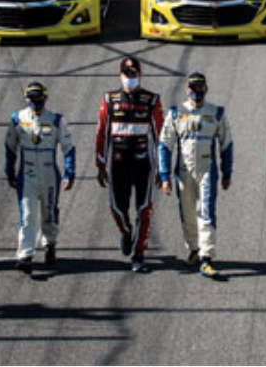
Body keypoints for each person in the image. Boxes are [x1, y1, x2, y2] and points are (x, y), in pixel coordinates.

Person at [159, 72, 234, 279]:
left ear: (206, 89)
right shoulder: (176, 113)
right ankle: (194, 249)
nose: (196, 91)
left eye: (200, 87)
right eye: (193, 87)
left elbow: (226, 143)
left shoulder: (217, 113)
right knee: (187, 213)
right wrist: (164, 176)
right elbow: (164, 145)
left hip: (207, 170)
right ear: (186, 89)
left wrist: (227, 171)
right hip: (183, 172)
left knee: (206, 213)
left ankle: (207, 257)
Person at [96, 56, 164, 273]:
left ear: (140, 75)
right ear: (120, 75)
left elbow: (160, 135)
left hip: (143, 164)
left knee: (144, 209)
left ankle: (139, 254)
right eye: (126, 75)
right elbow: (101, 133)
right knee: (117, 208)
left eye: (133, 74)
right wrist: (100, 163)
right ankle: (126, 232)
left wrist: (162, 169)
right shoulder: (110, 99)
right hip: (118, 165)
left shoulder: (151, 100)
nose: (130, 78)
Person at [4, 81, 75, 275]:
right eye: (32, 98)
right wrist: (9, 171)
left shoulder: (56, 119)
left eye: (39, 97)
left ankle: (50, 244)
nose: (36, 102)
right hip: (26, 175)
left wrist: (70, 173)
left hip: (49, 174)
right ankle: (25, 256)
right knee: (27, 215)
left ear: (45, 97)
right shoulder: (17, 119)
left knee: (49, 213)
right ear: (26, 98)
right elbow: (10, 147)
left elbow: (68, 147)